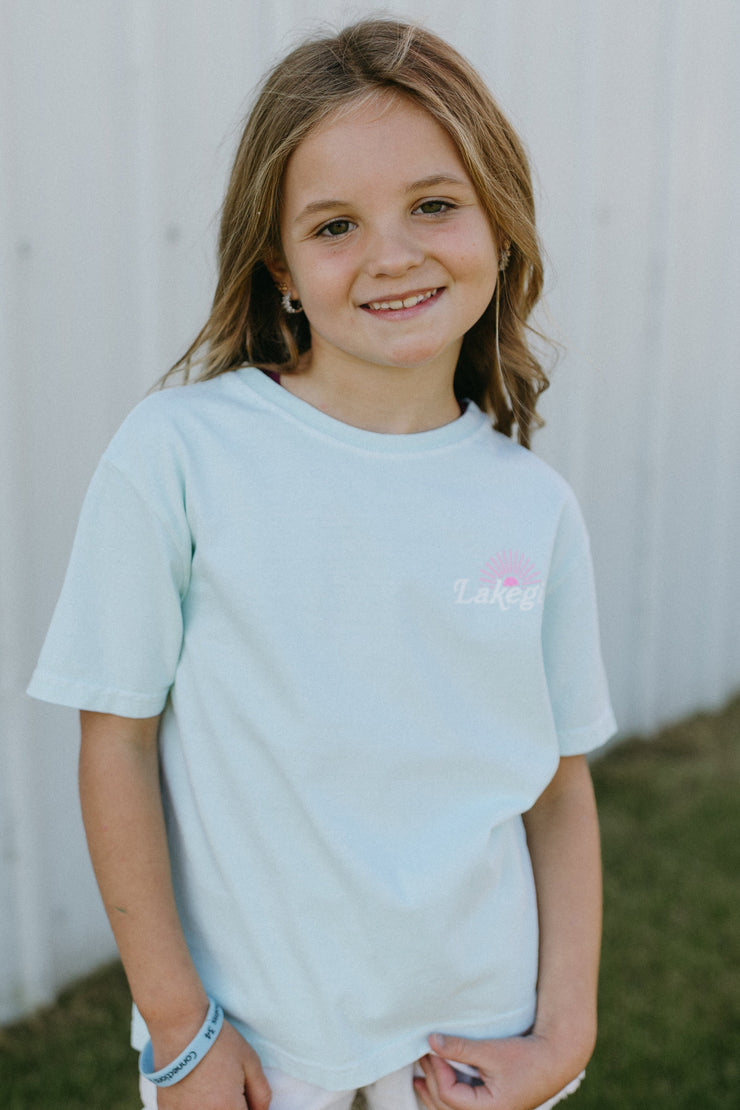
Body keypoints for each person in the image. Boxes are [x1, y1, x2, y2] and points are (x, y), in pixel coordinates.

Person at [28, 18, 616, 1110]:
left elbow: (556, 787)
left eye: (432, 205)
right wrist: (178, 1030)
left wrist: (563, 1039)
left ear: (499, 221)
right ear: (280, 266)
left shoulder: (529, 506)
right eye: (336, 224)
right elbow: (115, 739)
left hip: (476, 1053)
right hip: (253, 1058)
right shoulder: (181, 455)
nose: (391, 254)